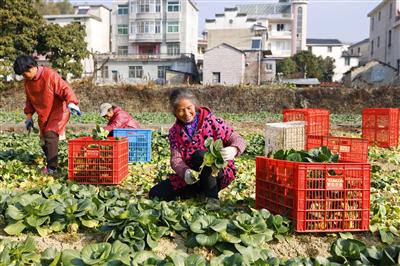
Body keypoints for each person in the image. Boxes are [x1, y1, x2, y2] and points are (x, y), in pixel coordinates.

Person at [149, 88, 246, 201]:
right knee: (155, 193)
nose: (186, 114)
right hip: (195, 176)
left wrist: (234, 149)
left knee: (200, 155)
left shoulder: (212, 121)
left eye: (189, 108)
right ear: (174, 112)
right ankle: (201, 192)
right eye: (181, 110)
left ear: (195, 105)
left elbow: (237, 139)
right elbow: (176, 159)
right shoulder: (174, 132)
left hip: (218, 173)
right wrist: (185, 172)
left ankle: (212, 198)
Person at [13, 55, 81, 175]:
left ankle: (52, 169)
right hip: (43, 113)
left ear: (32, 67)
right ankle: (52, 162)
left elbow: (64, 88)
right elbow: (29, 100)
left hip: (59, 109)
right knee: (44, 141)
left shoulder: (50, 75)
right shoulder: (28, 82)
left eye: (24, 74)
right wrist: (29, 116)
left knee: (50, 135)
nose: (24, 77)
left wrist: (72, 102)